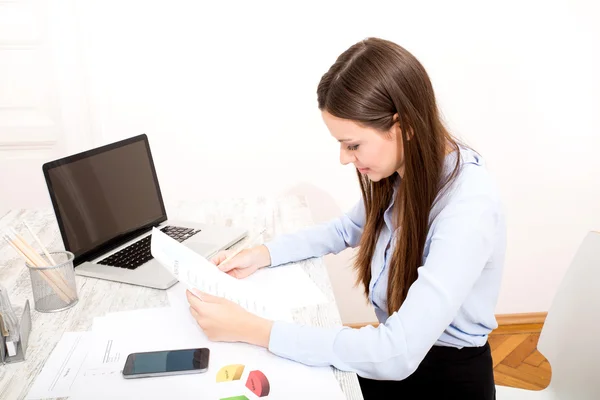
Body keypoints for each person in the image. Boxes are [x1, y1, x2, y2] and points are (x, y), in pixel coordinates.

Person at [185, 37, 505, 399]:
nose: (343, 158)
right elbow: (345, 229)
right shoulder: (406, 172)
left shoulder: (468, 205)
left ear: (402, 126)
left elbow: (396, 353)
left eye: (352, 145)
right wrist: (262, 254)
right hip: (404, 362)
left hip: (441, 379)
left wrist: (254, 329)